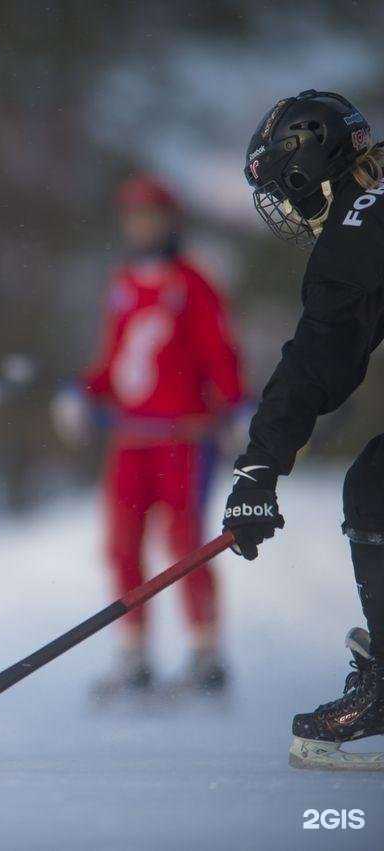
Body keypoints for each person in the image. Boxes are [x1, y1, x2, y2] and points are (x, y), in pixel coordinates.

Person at [221, 90, 384, 769]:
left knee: (375, 489)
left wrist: (260, 464)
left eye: (281, 191)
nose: (287, 210)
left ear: (303, 168)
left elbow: (322, 353)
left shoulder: (360, 221)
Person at [53, 175, 246, 703]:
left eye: (152, 216)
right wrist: (84, 391)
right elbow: (116, 360)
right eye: (134, 217)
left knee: (185, 544)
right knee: (122, 546)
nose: (143, 226)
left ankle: (206, 651)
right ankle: (134, 652)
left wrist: (238, 405)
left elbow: (219, 353)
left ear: (171, 221)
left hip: (184, 438)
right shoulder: (124, 283)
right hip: (131, 440)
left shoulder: (193, 282)